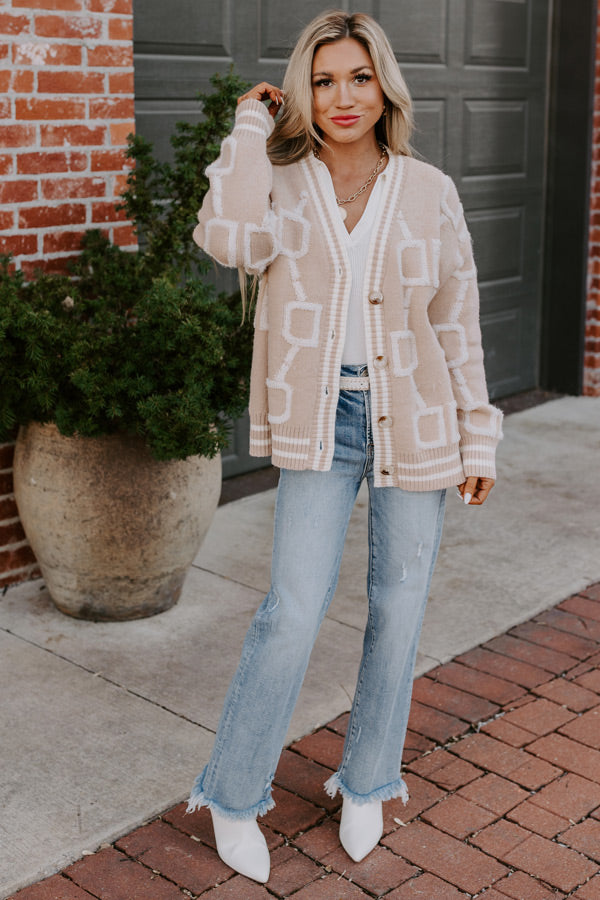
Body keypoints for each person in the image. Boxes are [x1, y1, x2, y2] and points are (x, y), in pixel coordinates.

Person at [187, 9, 503, 884]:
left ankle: (367, 781)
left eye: (358, 77)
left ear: (383, 84)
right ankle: (232, 792)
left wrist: (478, 434)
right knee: (290, 609)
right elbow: (228, 240)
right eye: (322, 80)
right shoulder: (281, 180)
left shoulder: (430, 189)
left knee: (399, 611)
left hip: (419, 416)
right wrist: (250, 129)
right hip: (318, 421)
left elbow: (457, 321)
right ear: (302, 91)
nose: (341, 97)